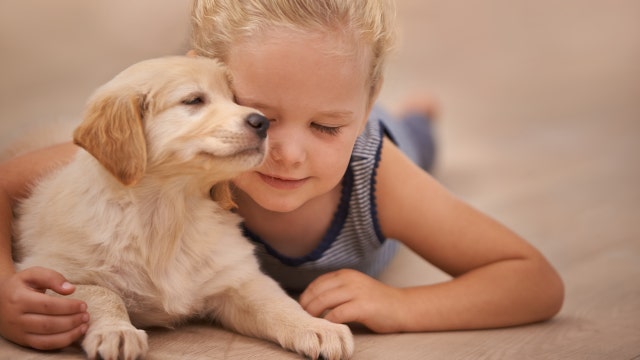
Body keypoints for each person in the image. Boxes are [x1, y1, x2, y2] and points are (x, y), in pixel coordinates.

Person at [0, 0, 564, 352]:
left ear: (361, 111)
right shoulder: (175, 158)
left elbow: (533, 280)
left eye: (324, 125)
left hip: (389, 145)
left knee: (417, 137)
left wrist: (401, 308)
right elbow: (8, 181)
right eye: (263, 118)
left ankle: (415, 114)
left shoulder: (377, 175)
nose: (287, 154)